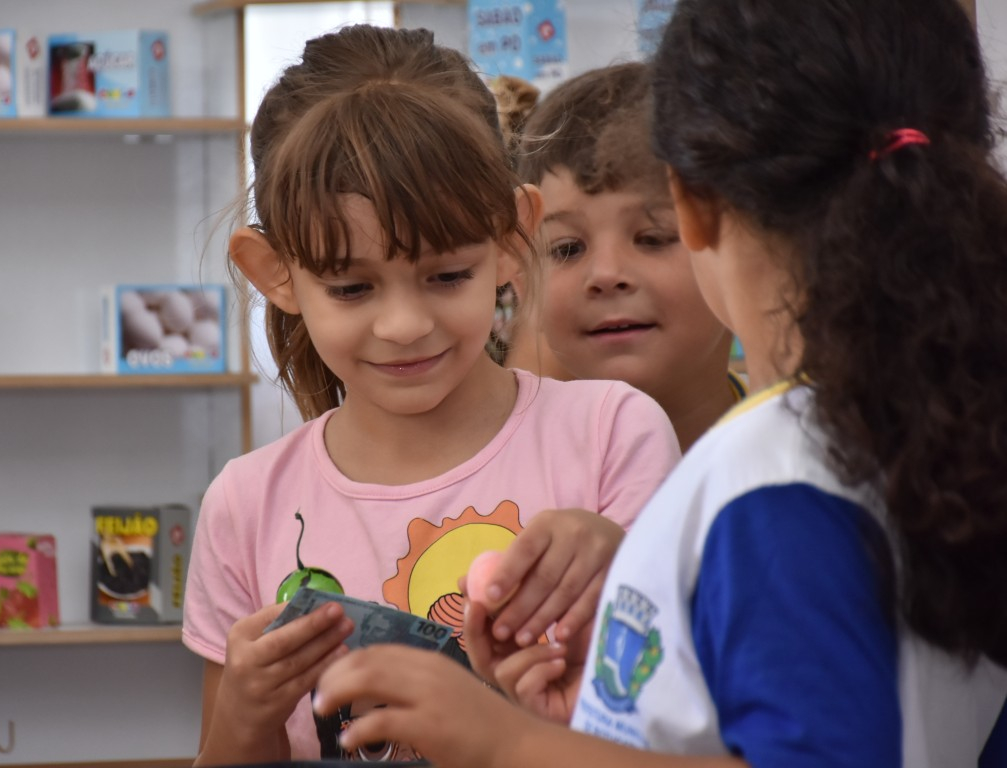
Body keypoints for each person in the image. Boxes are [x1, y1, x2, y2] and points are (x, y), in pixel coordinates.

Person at [313, 1, 1007, 766]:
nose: (608, 273)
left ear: (692, 203)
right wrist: (620, 707)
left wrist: (509, 744)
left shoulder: (777, 476)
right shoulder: (937, 424)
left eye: (650, 235)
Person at [180, 24, 681, 765]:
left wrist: (625, 567)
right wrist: (246, 716)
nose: (405, 325)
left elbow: (671, 729)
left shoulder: (612, 435)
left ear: (511, 239)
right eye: (351, 287)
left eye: (446, 276)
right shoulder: (246, 504)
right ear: (274, 272)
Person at [505, 62, 743, 451]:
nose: (606, 274)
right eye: (567, 249)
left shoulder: (814, 454)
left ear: (738, 251)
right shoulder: (506, 475)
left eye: (652, 238)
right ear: (521, 278)